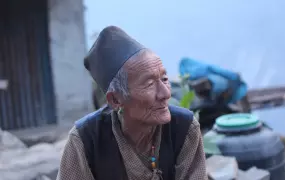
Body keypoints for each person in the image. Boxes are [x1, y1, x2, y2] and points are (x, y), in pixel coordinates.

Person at [56, 26, 207, 180]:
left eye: (164, 79)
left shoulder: (184, 129)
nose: (166, 93)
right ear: (115, 100)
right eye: (149, 84)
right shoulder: (85, 140)